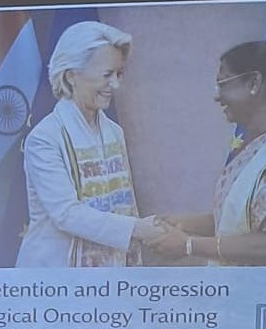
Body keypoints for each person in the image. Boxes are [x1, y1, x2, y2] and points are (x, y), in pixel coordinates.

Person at [150, 41, 266, 266]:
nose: (217, 96)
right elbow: (246, 220)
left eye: (223, 83)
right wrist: (184, 224)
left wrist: (189, 245)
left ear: (254, 83)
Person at [16, 20, 161, 267]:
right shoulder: (44, 138)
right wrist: (137, 229)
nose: (115, 84)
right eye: (107, 75)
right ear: (71, 76)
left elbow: (125, 204)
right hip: (53, 276)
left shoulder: (114, 132)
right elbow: (66, 214)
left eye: (119, 74)